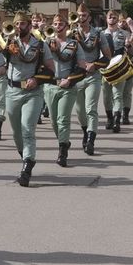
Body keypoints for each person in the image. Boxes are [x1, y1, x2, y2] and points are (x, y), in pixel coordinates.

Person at [0, 13, 51, 187]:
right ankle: (24, 155)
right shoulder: (8, 43)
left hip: (33, 92)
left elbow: (51, 70)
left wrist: (36, 79)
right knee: (16, 132)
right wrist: (3, 43)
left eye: (22, 24)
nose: (19, 27)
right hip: (13, 91)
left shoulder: (41, 46)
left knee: (27, 128)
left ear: (29, 26)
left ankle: (27, 165)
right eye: (16, 24)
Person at [43, 17, 86, 168]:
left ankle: (62, 152)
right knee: (54, 122)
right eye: (55, 24)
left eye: (61, 24)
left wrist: (70, 79)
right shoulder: (46, 43)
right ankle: (65, 141)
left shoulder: (74, 44)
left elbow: (82, 66)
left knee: (63, 119)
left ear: (67, 26)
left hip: (67, 86)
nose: (57, 26)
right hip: (50, 86)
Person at [75, 13, 111, 156]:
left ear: (89, 17)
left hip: (92, 76)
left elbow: (107, 56)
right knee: (80, 111)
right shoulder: (71, 33)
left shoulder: (98, 34)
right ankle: (85, 131)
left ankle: (90, 139)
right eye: (78, 15)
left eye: (84, 15)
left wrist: (95, 65)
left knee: (91, 108)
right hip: (77, 76)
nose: (80, 17)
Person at [100, 10, 133, 132]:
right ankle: (110, 118)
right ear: (106, 19)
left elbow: (131, 53)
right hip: (105, 68)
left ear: (117, 19)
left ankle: (117, 120)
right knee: (106, 96)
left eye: (114, 16)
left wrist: (129, 46)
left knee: (118, 95)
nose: (112, 17)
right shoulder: (100, 34)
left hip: (120, 67)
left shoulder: (125, 34)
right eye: (109, 16)